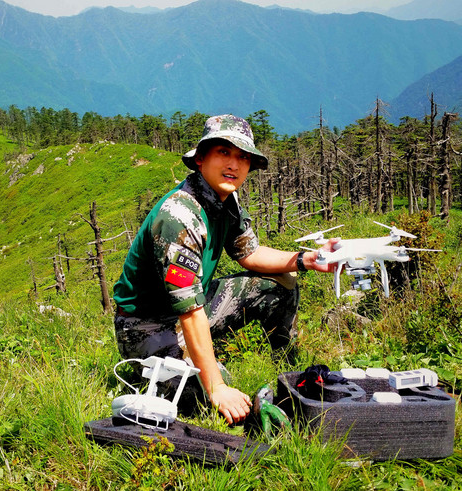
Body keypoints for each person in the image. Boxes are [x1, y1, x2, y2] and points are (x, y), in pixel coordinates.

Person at [113, 114, 336, 425]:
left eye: (243, 157)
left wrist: (304, 259)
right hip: (145, 325)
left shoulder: (225, 201)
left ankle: (284, 363)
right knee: (201, 396)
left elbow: (251, 253)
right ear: (201, 158)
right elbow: (190, 311)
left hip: (190, 309)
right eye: (224, 153)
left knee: (280, 282)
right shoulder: (179, 217)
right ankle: (187, 370)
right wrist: (217, 386)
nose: (234, 165)